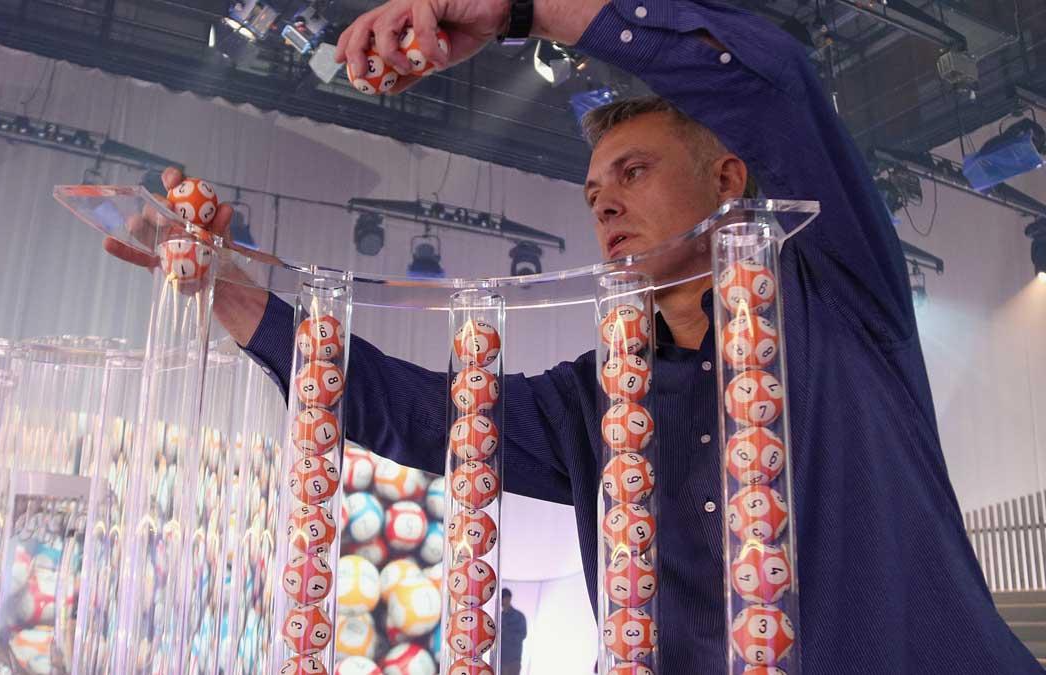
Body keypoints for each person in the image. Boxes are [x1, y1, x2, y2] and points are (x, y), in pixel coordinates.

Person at [106, 0, 1041, 671]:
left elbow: (772, 83)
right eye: (594, 193)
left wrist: (526, 10)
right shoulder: (598, 398)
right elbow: (413, 413)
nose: (607, 207)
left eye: (633, 173)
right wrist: (224, 290)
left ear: (727, 179)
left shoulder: (837, 296)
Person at [500, 588, 527, 675]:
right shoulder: (499, 617)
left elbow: (522, 635)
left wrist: (505, 633)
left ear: (509, 598)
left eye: (503, 598)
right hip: (500, 660)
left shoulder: (519, 616)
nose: (502, 601)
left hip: (513, 661)